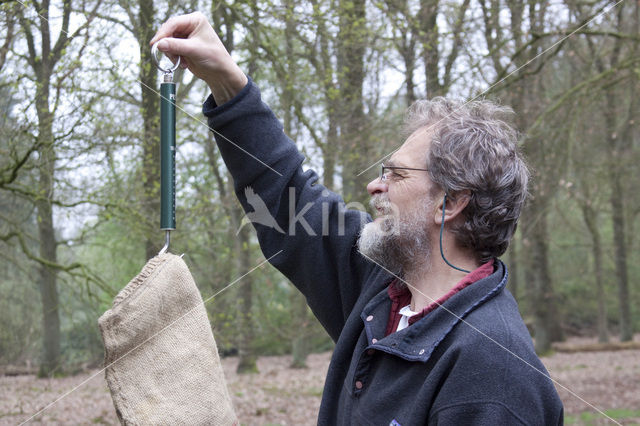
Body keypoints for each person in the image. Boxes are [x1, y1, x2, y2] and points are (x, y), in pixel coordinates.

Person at [151, 12, 564, 425]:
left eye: (396, 174)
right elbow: (291, 199)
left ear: (450, 202)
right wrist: (227, 82)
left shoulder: (494, 371)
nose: (374, 186)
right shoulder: (381, 292)